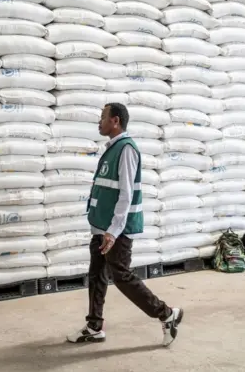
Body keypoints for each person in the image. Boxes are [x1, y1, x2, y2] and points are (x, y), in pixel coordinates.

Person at [67, 103, 184, 347]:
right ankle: (94, 326)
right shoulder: (112, 149)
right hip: (102, 228)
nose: (99, 122)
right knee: (97, 275)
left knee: (121, 276)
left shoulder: (127, 150)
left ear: (115, 121)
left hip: (115, 231)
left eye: (102, 117)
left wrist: (113, 230)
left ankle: (166, 313)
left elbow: (126, 194)